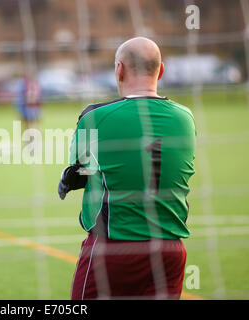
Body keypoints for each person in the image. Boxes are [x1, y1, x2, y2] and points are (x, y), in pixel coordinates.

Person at [58, 37, 196, 299]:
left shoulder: (94, 117)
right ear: (161, 70)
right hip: (170, 253)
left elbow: (82, 165)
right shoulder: (185, 118)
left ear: (119, 69)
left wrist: (75, 177)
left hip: (112, 251)